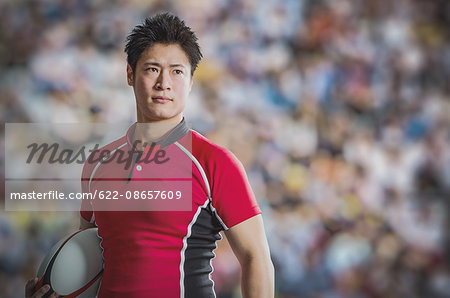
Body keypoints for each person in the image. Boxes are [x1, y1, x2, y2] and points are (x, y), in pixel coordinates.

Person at [26, 12, 274, 298]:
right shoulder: (98, 163)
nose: (164, 83)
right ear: (130, 74)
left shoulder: (214, 162)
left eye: (177, 71)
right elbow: (88, 257)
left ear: (191, 80)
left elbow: (256, 258)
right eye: (152, 69)